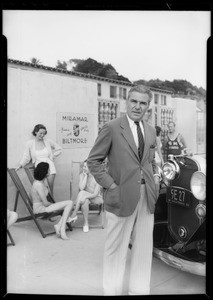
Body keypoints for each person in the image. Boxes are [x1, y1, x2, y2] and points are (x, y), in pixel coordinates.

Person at [87, 85, 161, 295]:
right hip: (119, 196)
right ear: (127, 102)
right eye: (134, 101)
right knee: (115, 249)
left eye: (143, 103)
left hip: (147, 196)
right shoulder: (111, 127)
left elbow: (150, 161)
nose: (138, 107)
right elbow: (93, 161)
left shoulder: (151, 130)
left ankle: (139, 291)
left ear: (149, 106)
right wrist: (111, 185)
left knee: (144, 249)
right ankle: (112, 291)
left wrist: (154, 178)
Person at [30, 162, 73, 240]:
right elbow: (46, 203)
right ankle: (62, 229)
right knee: (69, 203)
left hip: (44, 206)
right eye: (48, 169)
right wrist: (56, 205)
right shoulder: (38, 184)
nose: (50, 171)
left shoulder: (43, 182)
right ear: (45, 172)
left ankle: (59, 226)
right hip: (40, 209)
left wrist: (57, 205)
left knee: (69, 205)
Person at [16, 124, 62, 195]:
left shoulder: (48, 141)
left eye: (44, 133)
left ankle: (52, 204)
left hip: (50, 166)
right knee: (42, 190)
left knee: (50, 190)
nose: (42, 135)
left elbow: (59, 149)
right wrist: (20, 165)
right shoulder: (30, 143)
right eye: (40, 133)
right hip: (39, 168)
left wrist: (52, 157)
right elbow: (26, 157)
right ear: (35, 132)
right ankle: (44, 205)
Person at [67, 160, 103, 233]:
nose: (83, 168)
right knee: (84, 199)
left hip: (97, 198)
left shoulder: (97, 177)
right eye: (83, 166)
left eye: (85, 167)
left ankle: (74, 214)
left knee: (83, 195)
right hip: (85, 197)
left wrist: (85, 197)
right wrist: (86, 176)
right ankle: (86, 223)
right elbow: (81, 188)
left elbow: (95, 194)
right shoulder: (82, 175)